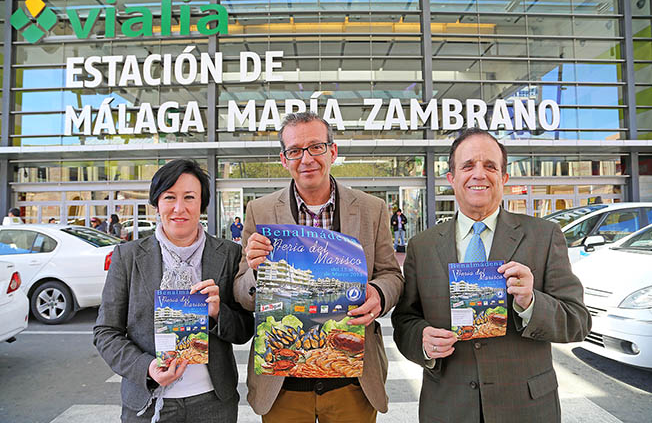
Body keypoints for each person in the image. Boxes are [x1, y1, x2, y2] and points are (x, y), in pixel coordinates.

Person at [391, 129, 591, 423]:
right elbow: (404, 320)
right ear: (452, 178)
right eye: (468, 165)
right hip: (447, 406)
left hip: (526, 408)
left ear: (504, 178)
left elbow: (578, 321)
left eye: (490, 166)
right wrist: (421, 340)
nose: (479, 175)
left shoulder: (544, 236)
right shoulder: (422, 246)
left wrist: (531, 302)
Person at [234, 112, 404, 422]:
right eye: (295, 150)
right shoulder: (259, 211)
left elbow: (392, 274)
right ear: (284, 160)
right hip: (282, 383)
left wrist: (379, 294)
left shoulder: (371, 209)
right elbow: (242, 292)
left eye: (316, 147)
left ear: (333, 151)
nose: (307, 158)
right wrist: (257, 271)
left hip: (353, 380)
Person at [94, 159, 254, 423]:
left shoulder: (228, 254)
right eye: (170, 197)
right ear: (157, 203)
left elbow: (245, 329)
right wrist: (146, 367)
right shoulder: (128, 256)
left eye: (190, 197)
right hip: (148, 402)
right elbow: (105, 332)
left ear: (202, 204)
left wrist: (217, 313)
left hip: (214, 403)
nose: (179, 208)